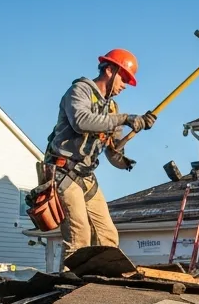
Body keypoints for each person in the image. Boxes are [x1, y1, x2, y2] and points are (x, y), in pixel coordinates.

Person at [43, 49, 158, 253]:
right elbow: (81, 122)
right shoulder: (80, 91)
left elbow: (112, 153)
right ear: (109, 69)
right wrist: (124, 119)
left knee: (108, 235)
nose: (124, 85)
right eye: (123, 78)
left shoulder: (112, 108)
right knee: (80, 235)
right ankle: (70, 282)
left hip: (86, 175)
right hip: (63, 171)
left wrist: (125, 155)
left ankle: (102, 279)